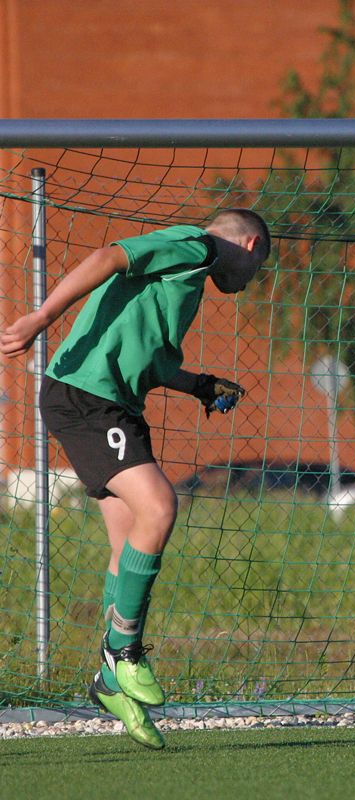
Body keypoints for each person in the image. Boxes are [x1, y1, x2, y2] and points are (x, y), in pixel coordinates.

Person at [1, 209, 270, 748]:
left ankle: (109, 680)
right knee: (161, 506)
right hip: (86, 397)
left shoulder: (187, 279)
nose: (250, 281)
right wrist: (41, 317)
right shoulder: (198, 247)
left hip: (113, 405)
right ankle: (122, 650)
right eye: (258, 267)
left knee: (128, 543)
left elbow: (152, 360)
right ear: (249, 244)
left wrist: (199, 385)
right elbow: (109, 256)